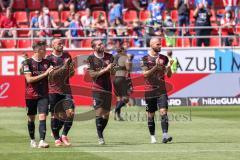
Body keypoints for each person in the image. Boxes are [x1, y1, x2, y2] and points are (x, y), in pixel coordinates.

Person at [21, 41, 53, 148]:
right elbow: (29, 79)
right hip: (30, 95)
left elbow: (50, 76)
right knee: (31, 118)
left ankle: (42, 141)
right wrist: (45, 73)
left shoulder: (47, 62)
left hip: (43, 94)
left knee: (43, 115)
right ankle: (32, 140)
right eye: (44, 49)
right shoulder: (27, 63)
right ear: (37, 51)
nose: (46, 51)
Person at [141, 38, 173, 144]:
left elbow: (168, 75)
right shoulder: (145, 58)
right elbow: (145, 74)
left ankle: (165, 135)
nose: (160, 46)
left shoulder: (164, 58)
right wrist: (156, 67)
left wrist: (169, 67)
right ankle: (152, 136)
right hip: (149, 90)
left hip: (161, 90)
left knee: (163, 111)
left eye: (161, 44)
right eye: (158, 44)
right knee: (151, 114)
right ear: (151, 45)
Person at [46, 38, 75, 146]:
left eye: (62, 43)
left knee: (70, 113)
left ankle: (64, 135)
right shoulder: (48, 59)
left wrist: (71, 70)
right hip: (53, 90)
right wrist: (64, 67)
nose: (62, 45)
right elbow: (51, 75)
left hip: (66, 89)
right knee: (56, 116)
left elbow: (71, 74)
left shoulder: (67, 56)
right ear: (53, 45)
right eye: (59, 44)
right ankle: (56, 138)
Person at [86, 39, 114, 145]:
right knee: (99, 112)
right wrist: (106, 69)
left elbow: (114, 71)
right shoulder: (90, 58)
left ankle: (100, 132)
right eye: (99, 44)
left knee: (106, 114)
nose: (102, 45)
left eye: (102, 43)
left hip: (108, 88)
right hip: (97, 88)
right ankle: (100, 137)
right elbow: (92, 75)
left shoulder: (110, 56)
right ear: (94, 47)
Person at [113, 46, 133, 121]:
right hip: (123, 78)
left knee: (119, 98)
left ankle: (118, 116)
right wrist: (130, 60)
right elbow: (129, 69)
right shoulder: (125, 57)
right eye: (125, 50)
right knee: (126, 99)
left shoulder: (115, 58)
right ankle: (115, 110)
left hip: (116, 79)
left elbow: (113, 69)